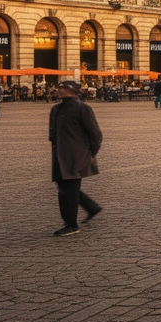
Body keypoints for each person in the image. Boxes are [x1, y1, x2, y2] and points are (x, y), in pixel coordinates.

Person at [48, 81, 103, 236]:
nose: (59, 90)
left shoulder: (82, 108)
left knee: (68, 190)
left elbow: (95, 134)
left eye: (63, 88)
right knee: (63, 186)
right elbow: (53, 133)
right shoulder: (56, 109)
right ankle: (91, 207)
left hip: (76, 155)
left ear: (73, 91)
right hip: (60, 154)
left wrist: (90, 152)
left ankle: (71, 224)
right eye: (59, 88)